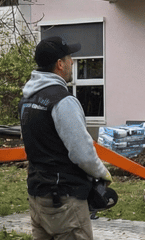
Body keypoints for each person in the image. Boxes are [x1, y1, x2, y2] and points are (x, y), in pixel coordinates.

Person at [19, 36, 113, 240]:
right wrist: (102, 173)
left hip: (38, 196)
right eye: (70, 58)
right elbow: (82, 154)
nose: (72, 62)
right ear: (60, 64)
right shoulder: (63, 101)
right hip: (64, 201)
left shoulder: (27, 99)